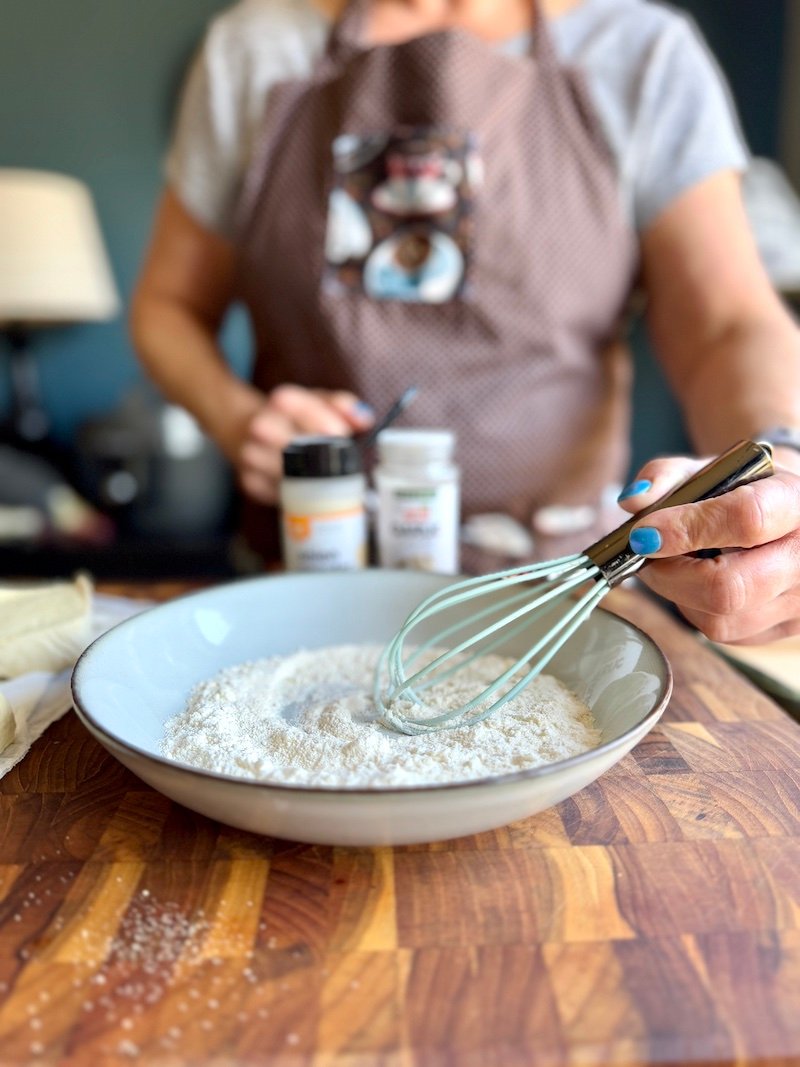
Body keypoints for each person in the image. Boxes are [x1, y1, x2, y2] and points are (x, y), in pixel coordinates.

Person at [130, 0, 800, 646]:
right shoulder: (254, 50)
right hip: (300, 592)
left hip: (561, 602)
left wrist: (777, 461)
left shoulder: (641, 55)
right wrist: (237, 417)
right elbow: (168, 307)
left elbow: (728, 324)